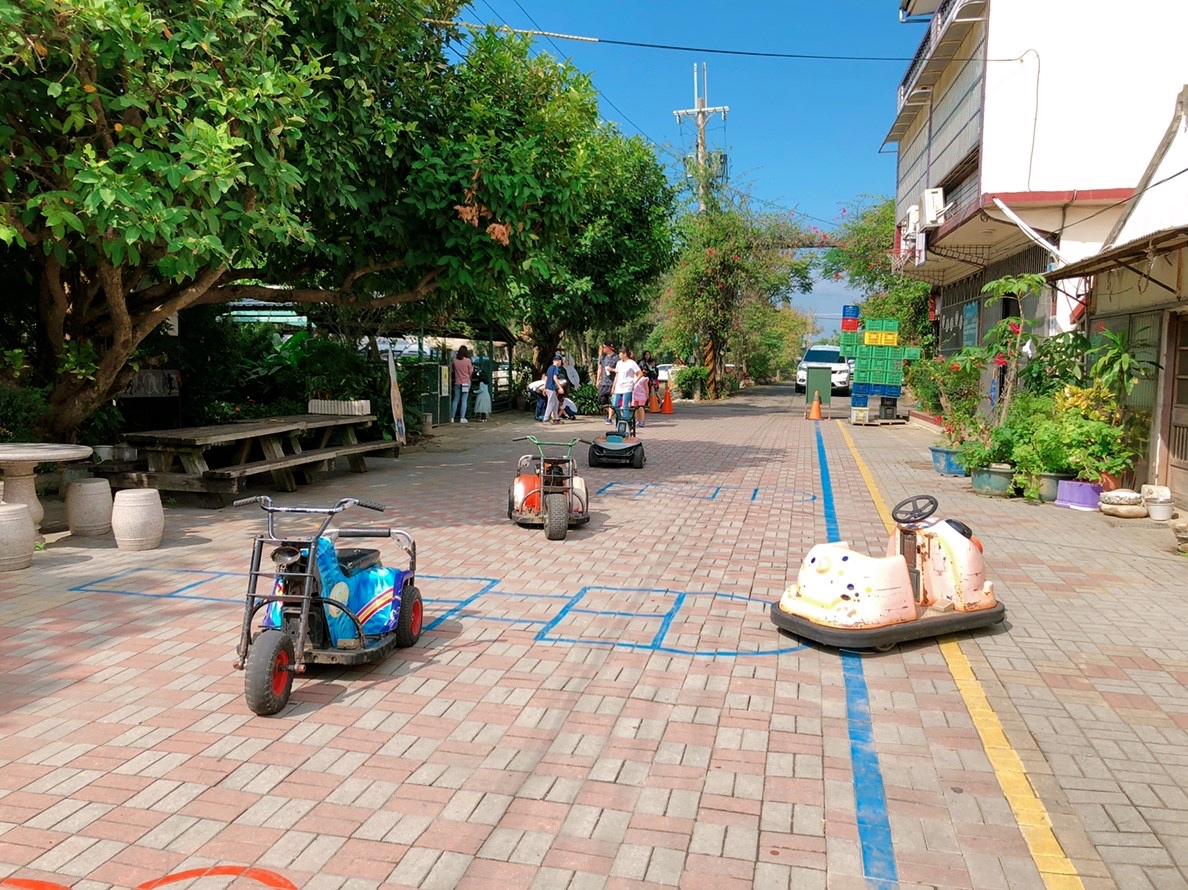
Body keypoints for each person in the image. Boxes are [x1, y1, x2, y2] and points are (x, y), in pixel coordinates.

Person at [610, 346, 641, 424]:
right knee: (615, 405)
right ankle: (620, 418)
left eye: (620, 354)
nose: (619, 355)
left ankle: (626, 421)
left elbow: (640, 373)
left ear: (625, 354)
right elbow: (617, 375)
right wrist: (613, 386)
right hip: (619, 386)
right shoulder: (619, 363)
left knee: (625, 405)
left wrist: (634, 382)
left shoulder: (631, 363)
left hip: (627, 386)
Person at [449, 345, 474, 423]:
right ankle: (462, 417)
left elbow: (452, 370)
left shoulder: (455, 361)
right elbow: (470, 372)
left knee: (455, 400)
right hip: (466, 383)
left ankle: (452, 417)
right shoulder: (468, 361)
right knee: (464, 400)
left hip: (457, 382)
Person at [597, 341, 618, 424]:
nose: (603, 349)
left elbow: (619, 370)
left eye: (604, 347)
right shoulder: (602, 357)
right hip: (603, 382)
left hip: (612, 382)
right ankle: (612, 412)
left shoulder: (616, 358)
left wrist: (612, 370)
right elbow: (600, 368)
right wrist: (598, 379)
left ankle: (609, 418)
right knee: (601, 400)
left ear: (608, 347)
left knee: (612, 401)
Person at [543, 353, 564, 424]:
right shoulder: (555, 368)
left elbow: (546, 378)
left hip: (549, 388)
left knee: (556, 402)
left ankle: (556, 418)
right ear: (558, 361)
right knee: (551, 403)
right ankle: (545, 419)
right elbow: (555, 378)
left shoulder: (549, 368)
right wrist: (560, 387)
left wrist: (545, 388)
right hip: (551, 388)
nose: (561, 363)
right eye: (561, 361)